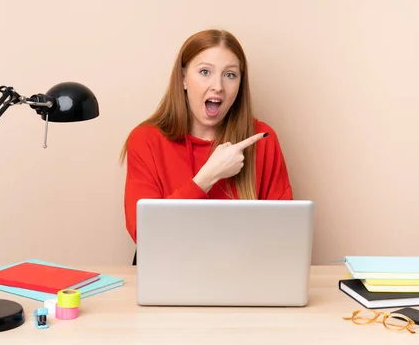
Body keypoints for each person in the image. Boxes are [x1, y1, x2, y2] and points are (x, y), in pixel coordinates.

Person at [120, 29, 293, 245]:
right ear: (183, 79)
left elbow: (283, 235)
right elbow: (145, 234)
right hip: (170, 271)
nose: (218, 87)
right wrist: (208, 176)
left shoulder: (262, 138)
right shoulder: (145, 139)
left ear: (240, 84)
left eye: (230, 75)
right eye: (204, 72)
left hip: (243, 272)